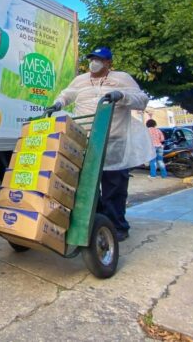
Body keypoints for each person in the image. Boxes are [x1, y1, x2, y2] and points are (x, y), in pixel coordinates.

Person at [53, 47, 153, 242]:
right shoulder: (81, 80)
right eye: (92, 58)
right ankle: (96, 223)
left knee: (114, 185)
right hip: (86, 139)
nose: (94, 62)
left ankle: (117, 226)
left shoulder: (122, 78)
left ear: (108, 63)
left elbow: (142, 100)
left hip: (114, 139)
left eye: (99, 59)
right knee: (86, 185)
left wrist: (122, 96)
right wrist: (58, 104)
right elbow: (67, 94)